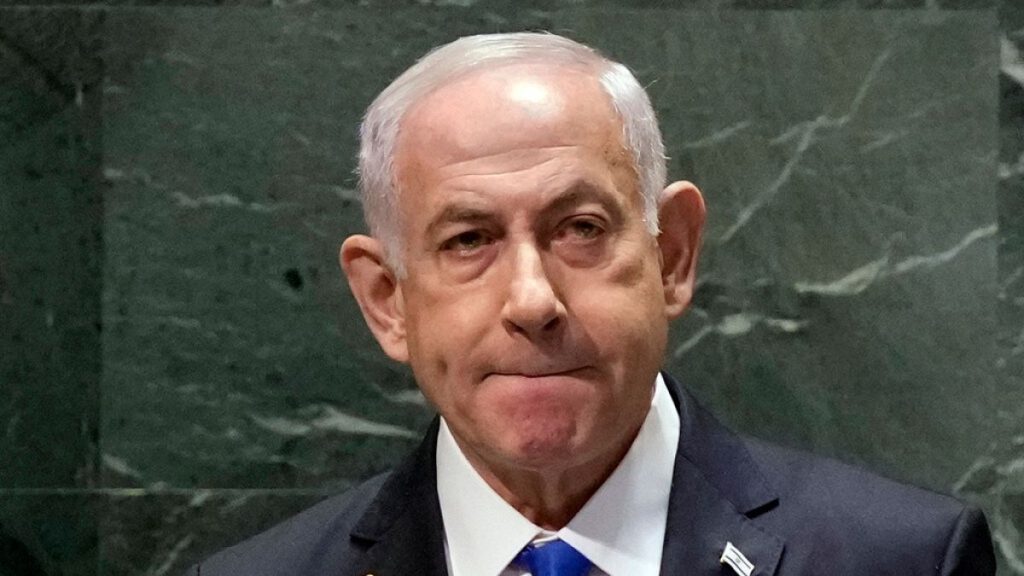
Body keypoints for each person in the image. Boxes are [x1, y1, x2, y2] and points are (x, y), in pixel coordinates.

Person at [189, 32, 995, 575]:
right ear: (388, 299)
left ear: (671, 254)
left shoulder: (904, 559)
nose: (533, 301)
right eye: (468, 240)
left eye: (580, 228)